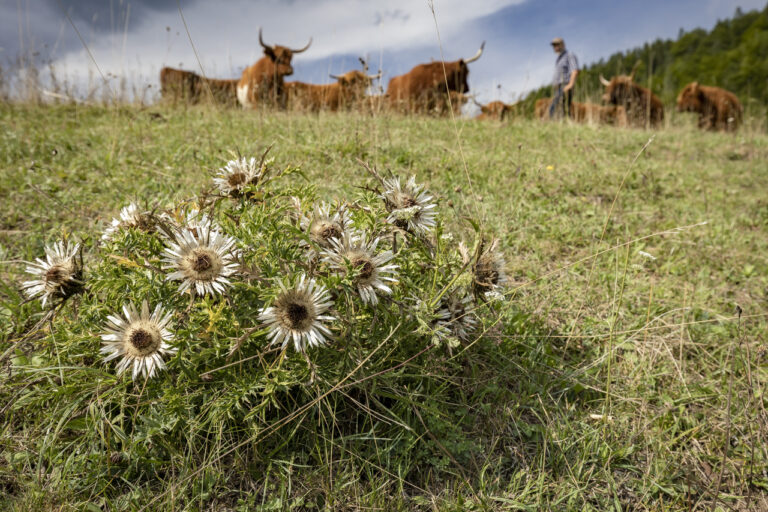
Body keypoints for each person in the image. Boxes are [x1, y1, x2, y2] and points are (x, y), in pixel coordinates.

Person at [549, 37, 579, 119]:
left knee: (553, 109)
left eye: (557, 44)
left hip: (565, 86)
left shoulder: (569, 55)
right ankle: (566, 126)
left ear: (563, 45)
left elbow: (575, 70)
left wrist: (570, 84)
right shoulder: (559, 59)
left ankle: (554, 126)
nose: (555, 47)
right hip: (558, 87)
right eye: (554, 45)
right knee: (563, 110)